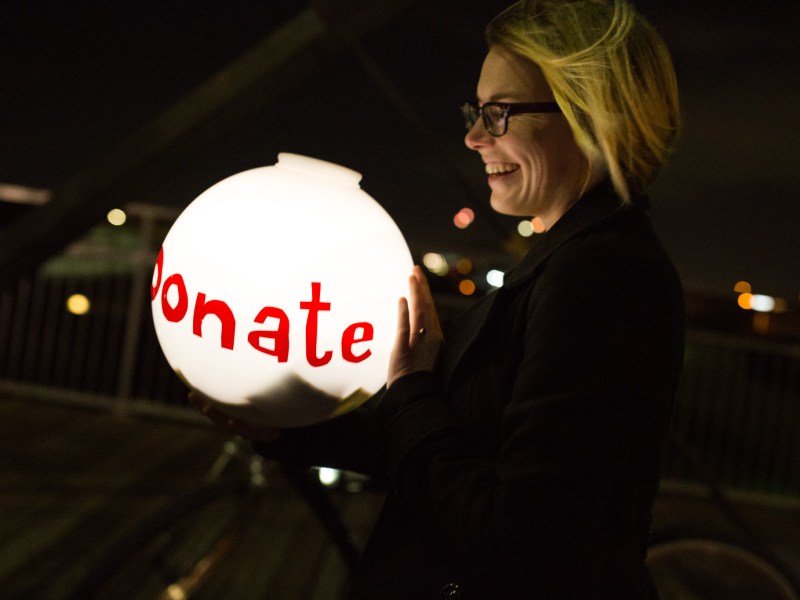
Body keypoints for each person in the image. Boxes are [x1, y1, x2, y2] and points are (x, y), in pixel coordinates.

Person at [193, 0, 685, 597]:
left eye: (499, 113)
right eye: (476, 111)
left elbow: (521, 545)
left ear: (591, 117)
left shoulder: (605, 279)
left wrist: (412, 390)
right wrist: (289, 427)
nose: (474, 136)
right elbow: (462, 444)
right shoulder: (576, 255)